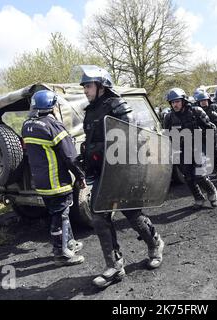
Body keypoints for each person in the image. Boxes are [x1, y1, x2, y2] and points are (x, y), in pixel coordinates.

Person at [79, 65, 164, 288]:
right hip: (102, 172)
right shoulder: (90, 110)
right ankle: (115, 267)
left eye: (88, 86)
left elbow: (131, 138)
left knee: (133, 215)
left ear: (101, 86)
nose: (85, 90)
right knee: (99, 218)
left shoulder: (118, 106)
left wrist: (101, 149)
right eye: (85, 86)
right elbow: (91, 140)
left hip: (123, 171)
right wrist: (86, 155)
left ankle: (155, 244)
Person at [22, 90, 86, 266]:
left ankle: (70, 243)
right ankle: (61, 253)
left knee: (59, 212)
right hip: (56, 181)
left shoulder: (27, 125)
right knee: (61, 216)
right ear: (52, 107)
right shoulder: (54, 126)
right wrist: (80, 175)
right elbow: (70, 156)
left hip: (41, 182)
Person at [163, 88, 217, 208]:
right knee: (188, 177)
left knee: (200, 175)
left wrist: (212, 148)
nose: (175, 104)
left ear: (183, 101)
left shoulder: (196, 111)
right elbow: (166, 136)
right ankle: (198, 198)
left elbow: (211, 128)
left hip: (199, 147)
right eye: (172, 102)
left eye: (177, 101)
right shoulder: (169, 117)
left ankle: (211, 191)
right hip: (182, 150)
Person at [196, 92, 217, 179]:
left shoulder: (215, 107)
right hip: (206, 135)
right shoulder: (197, 111)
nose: (203, 102)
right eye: (201, 101)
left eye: (205, 100)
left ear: (208, 100)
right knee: (211, 155)